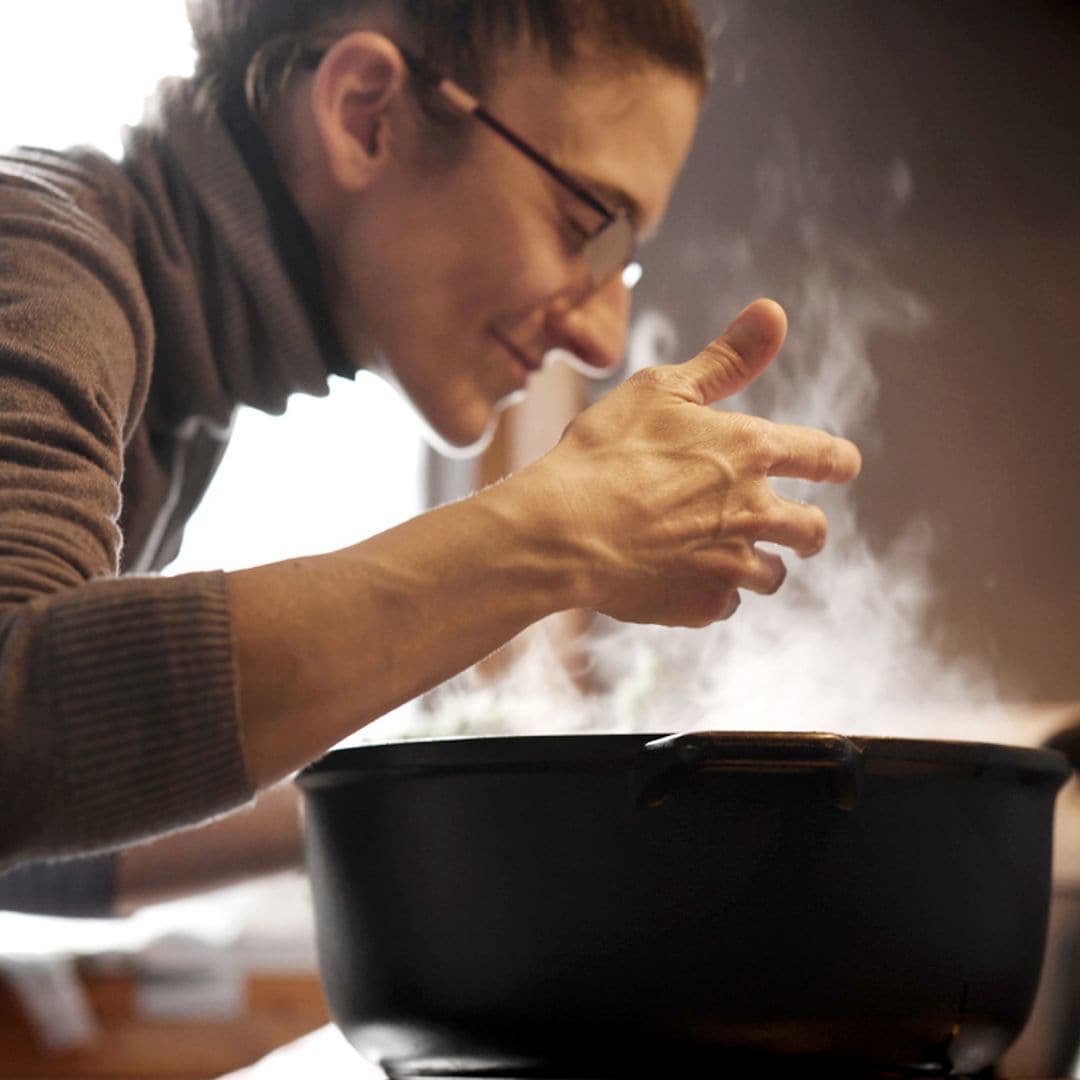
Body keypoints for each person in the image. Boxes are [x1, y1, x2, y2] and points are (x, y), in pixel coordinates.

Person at [0, 0, 861, 915]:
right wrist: (557, 532)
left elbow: (34, 828)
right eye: (590, 227)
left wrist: (451, 791)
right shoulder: (39, 260)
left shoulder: (176, 371)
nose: (607, 338)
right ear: (368, 115)